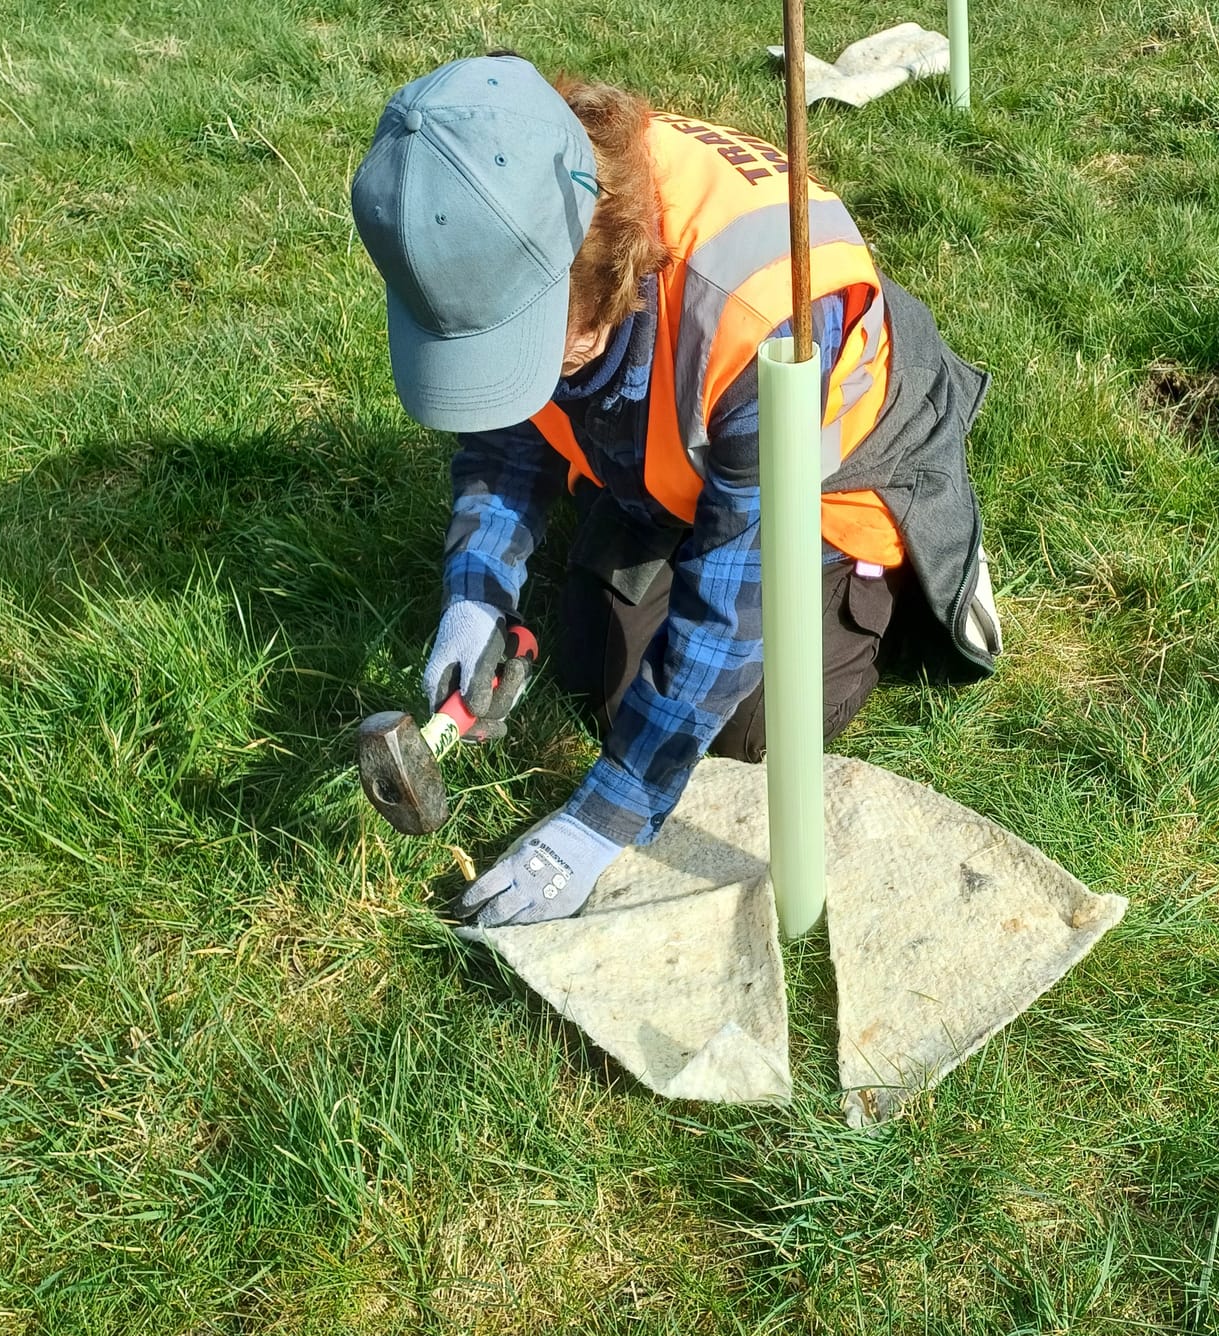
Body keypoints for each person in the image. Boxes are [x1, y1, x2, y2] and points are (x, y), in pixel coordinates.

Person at [350, 55, 1002, 927]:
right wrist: (475, 593)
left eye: (536, 350)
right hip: (687, 453)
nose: (524, 379)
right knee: (600, 680)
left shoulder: (765, 314)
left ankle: (883, 594)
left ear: (609, 274)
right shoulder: (499, 211)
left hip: (830, 481)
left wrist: (602, 818)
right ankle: (647, 510)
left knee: (747, 733)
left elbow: (737, 588)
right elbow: (504, 433)